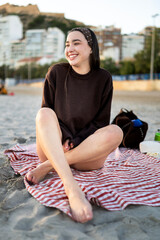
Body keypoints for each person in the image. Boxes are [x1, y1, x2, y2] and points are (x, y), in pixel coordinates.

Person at [26, 27, 123, 223]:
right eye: (67, 44)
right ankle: (71, 187)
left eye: (76, 43)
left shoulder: (103, 78)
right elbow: (48, 113)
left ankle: (47, 166)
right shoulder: (56, 72)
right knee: (44, 113)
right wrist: (66, 138)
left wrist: (77, 140)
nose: (70, 48)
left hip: (87, 155)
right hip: (54, 147)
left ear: (91, 48)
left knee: (116, 131)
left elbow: (100, 123)